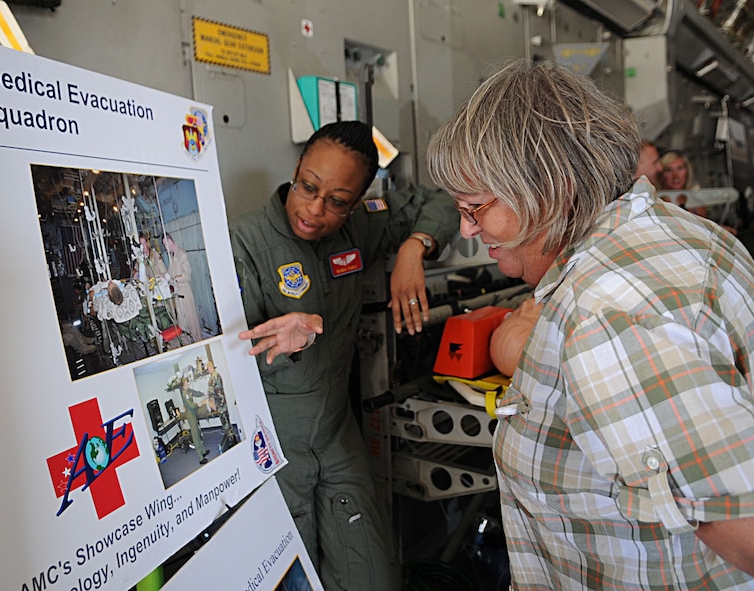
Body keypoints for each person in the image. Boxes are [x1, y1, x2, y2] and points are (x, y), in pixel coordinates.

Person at [427, 58, 754, 589]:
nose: (467, 230)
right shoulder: (682, 234)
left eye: (475, 207)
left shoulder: (608, 313)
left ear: (547, 186)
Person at [230, 120, 458, 591]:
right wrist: (283, 341)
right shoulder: (244, 242)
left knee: (374, 578)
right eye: (308, 187)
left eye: (337, 201)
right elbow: (218, 360)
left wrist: (416, 248)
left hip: (336, 435)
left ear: (356, 201)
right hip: (273, 445)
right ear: (296, 169)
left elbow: (440, 200)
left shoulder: (362, 226)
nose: (315, 210)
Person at [163, 232, 204, 342]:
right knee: (182, 322)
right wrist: (164, 276)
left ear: (170, 241)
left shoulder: (182, 255)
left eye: (165, 244)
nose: (165, 247)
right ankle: (186, 342)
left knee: (192, 320)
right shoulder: (172, 256)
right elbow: (170, 271)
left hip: (185, 291)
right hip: (177, 292)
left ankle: (198, 341)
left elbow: (187, 275)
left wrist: (173, 279)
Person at [179, 375, 210, 465]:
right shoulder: (185, 394)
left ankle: (203, 451)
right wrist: (198, 404)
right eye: (186, 383)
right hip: (190, 414)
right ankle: (200, 458)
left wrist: (203, 394)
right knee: (195, 435)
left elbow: (195, 393)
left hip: (194, 412)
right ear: (183, 385)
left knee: (198, 432)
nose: (188, 384)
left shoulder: (189, 391)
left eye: (187, 382)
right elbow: (191, 406)